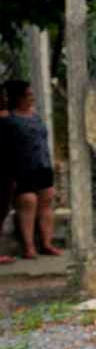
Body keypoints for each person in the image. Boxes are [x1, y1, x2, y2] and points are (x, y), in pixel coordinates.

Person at [5, 79, 62, 259]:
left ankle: (47, 243)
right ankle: (29, 247)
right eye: (28, 95)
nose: (32, 98)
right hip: (22, 169)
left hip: (42, 165)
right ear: (18, 97)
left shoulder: (36, 116)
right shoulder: (9, 120)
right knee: (28, 202)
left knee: (47, 201)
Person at [0, 82, 16, 264]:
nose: (5, 99)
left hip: (6, 171)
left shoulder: (8, 118)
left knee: (3, 210)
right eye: (2, 96)